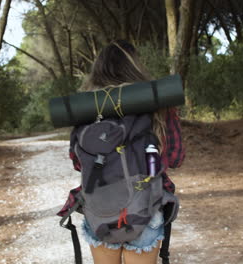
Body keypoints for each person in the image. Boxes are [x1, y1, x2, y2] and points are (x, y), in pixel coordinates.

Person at [57, 39, 185, 264]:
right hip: (146, 207)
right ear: (135, 66)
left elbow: (78, 162)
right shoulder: (157, 103)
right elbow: (175, 158)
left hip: (100, 209)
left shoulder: (87, 109)